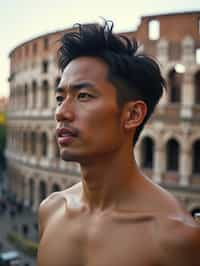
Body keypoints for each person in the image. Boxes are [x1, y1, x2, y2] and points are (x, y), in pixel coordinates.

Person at [37, 21, 200, 266]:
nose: (61, 112)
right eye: (60, 98)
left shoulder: (177, 237)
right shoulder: (50, 209)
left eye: (83, 96)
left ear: (133, 115)